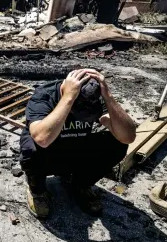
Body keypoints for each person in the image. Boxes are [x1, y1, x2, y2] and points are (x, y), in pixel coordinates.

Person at [19, 69, 137, 219]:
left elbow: (128, 137)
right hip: (47, 154)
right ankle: (37, 191)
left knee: (117, 143)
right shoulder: (44, 95)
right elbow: (42, 137)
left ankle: (81, 184)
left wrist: (109, 97)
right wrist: (68, 98)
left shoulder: (95, 98)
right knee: (32, 147)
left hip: (74, 152)